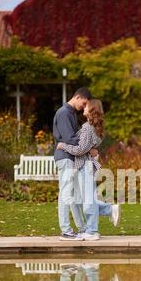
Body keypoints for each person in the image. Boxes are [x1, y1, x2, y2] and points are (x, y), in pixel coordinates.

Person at [57, 99, 120, 240]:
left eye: (86, 106)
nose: (83, 108)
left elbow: (80, 149)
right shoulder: (93, 128)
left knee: (87, 202)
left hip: (85, 166)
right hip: (86, 166)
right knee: (86, 200)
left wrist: (63, 146)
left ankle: (92, 231)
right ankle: (109, 210)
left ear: (91, 110)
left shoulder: (87, 128)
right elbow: (86, 148)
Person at [53, 87, 96, 240]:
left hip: (71, 158)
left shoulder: (71, 113)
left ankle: (82, 228)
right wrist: (89, 147)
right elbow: (70, 139)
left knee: (75, 196)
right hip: (65, 157)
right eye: (83, 103)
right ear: (77, 97)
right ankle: (65, 230)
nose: (84, 107)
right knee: (66, 194)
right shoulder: (64, 113)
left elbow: (76, 139)